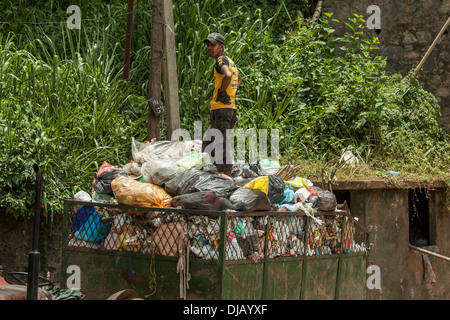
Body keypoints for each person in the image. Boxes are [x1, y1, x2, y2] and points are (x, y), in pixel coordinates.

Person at [202, 32, 242, 176]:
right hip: (227, 110)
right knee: (208, 144)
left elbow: (229, 75)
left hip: (222, 110)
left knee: (221, 149)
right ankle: (214, 177)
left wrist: (222, 92)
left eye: (213, 45)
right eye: (208, 45)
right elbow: (239, 79)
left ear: (221, 47)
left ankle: (226, 182)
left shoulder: (221, 60)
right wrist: (229, 93)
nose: (209, 48)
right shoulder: (231, 62)